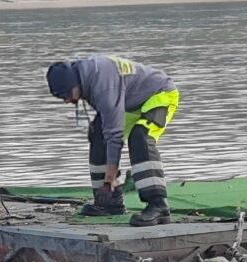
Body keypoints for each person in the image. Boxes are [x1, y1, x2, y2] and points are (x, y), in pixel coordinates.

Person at [46, 55, 180, 227]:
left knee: (140, 137)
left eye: (65, 95)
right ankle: (109, 203)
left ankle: (158, 205)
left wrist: (110, 178)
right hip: (129, 102)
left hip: (159, 94)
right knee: (98, 135)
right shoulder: (84, 75)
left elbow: (115, 137)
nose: (67, 101)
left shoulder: (103, 88)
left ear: (74, 84)